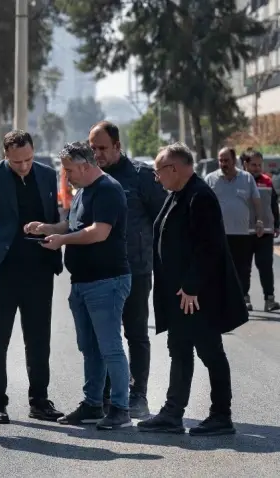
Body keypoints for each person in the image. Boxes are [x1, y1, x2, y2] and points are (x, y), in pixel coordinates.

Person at [137, 143, 249, 436]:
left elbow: (209, 247)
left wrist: (191, 286)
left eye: (158, 171)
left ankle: (221, 415)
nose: (156, 177)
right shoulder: (178, 194)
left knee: (210, 352)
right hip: (182, 297)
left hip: (197, 297)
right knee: (180, 350)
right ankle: (173, 414)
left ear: (173, 169)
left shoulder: (200, 197)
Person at [25, 141, 133, 430]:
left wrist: (62, 241)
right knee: (90, 348)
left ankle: (121, 408)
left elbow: (98, 232)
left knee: (110, 348)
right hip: (83, 283)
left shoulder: (108, 189)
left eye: (69, 170)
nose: (66, 176)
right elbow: (74, 227)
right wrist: (48, 228)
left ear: (85, 166)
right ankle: (92, 404)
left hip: (106, 282)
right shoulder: (84, 191)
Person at [0, 130, 65, 424]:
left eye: (29, 159)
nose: (24, 166)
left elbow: (58, 215)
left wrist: (48, 229)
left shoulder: (48, 176)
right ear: (5, 156)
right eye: (17, 161)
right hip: (2, 272)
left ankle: (39, 401)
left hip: (39, 270)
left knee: (39, 339)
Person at [89, 121, 167, 418]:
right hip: (100, 271)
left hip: (135, 268)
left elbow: (162, 220)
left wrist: (163, 265)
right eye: (93, 148)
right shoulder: (90, 177)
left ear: (118, 146)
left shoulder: (140, 176)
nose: (97, 154)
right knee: (104, 336)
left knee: (135, 334)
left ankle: (138, 395)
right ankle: (107, 395)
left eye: (103, 148)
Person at [204, 147, 264, 311]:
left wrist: (259, 220)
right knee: (218, 267)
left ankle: (243, 297)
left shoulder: (246, 178)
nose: (223, 164)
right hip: (218, 233)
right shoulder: (210, 179)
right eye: (220, 160)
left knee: (242, 268)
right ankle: (220, 299)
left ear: (234, 161)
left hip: (242, 233)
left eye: (226, 160)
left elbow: (256, 201)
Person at [240, 149, 280, 312]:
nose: (257, 168)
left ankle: (269, 299)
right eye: (253, 165)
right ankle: (244, 298)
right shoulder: (240, 181)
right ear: (245, 165)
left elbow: (274, 205)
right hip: (243, 232)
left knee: (265, 265)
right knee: (244, 267)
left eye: (259, 165)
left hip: (265, 231)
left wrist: (276, 225)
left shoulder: (267, 181)